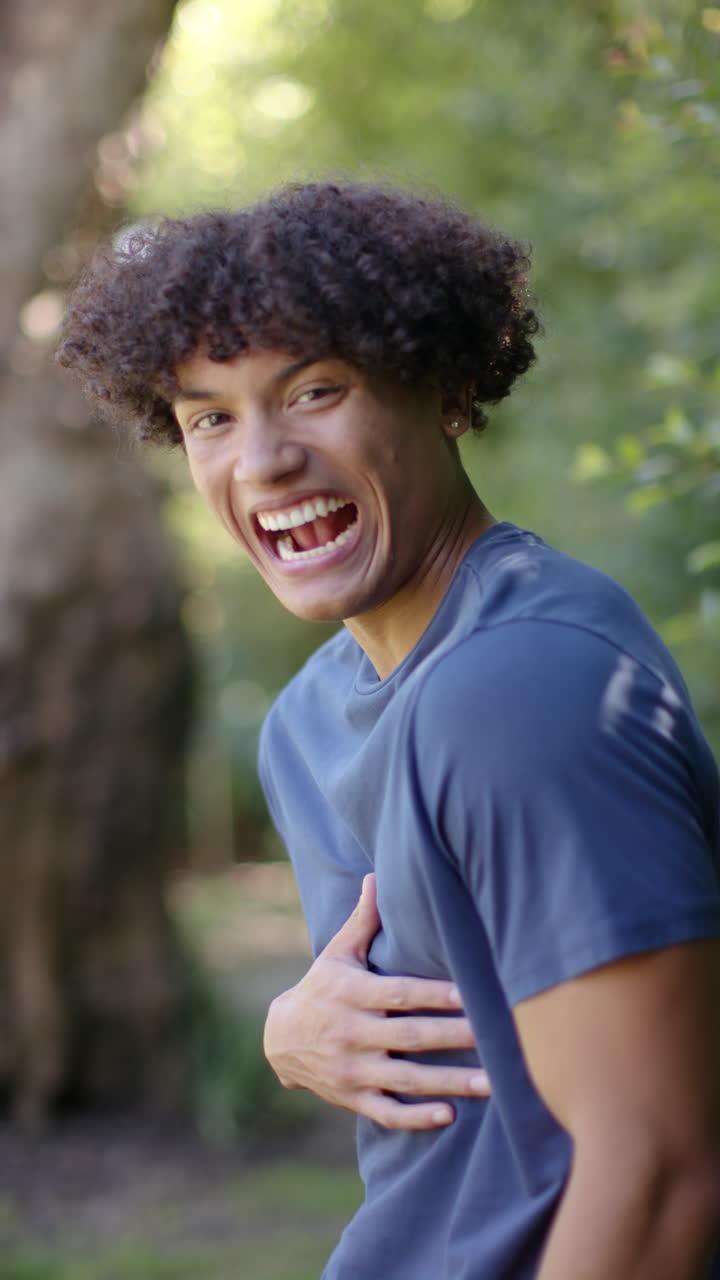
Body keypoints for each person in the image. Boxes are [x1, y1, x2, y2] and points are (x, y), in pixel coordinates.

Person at [58, 181, 720, 1279]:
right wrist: (289, 1026)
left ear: (450, 389)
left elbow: (661, 1169)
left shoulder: (520, 684)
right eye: (210, 416)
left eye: (317, 391)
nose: (262, 458)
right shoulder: (308, 718)